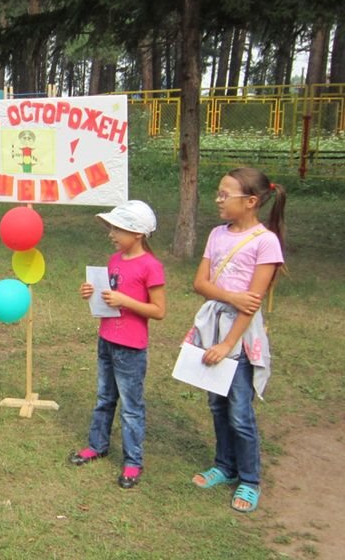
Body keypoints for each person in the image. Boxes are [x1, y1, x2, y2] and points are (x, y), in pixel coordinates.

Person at [187, 167, 286, 513]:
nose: (218, 199)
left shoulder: (266, 242)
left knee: (240, 411)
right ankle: (224, 466)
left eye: (224, 194)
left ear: (251, 201)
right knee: (216, 404)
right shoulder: (216, 234)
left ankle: (249, 479)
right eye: (218, 192)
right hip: (212, 329)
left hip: (238, 338)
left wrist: (228, 345)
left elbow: (252, 304)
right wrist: (231, 296)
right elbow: (200, 284)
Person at [68, 200, 166, 489]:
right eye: (111, 227)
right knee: (104, 398)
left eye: (117, 229)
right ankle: (97, 445)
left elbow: (159, 311)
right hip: (107, 340)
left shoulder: (151, 266)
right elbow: (107, 298)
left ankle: (133, 461)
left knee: (131, 407)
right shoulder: (114, 260)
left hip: (131, 348)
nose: (111, 233)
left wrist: (125, 301)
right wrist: (92, 293)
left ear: (137, 233)